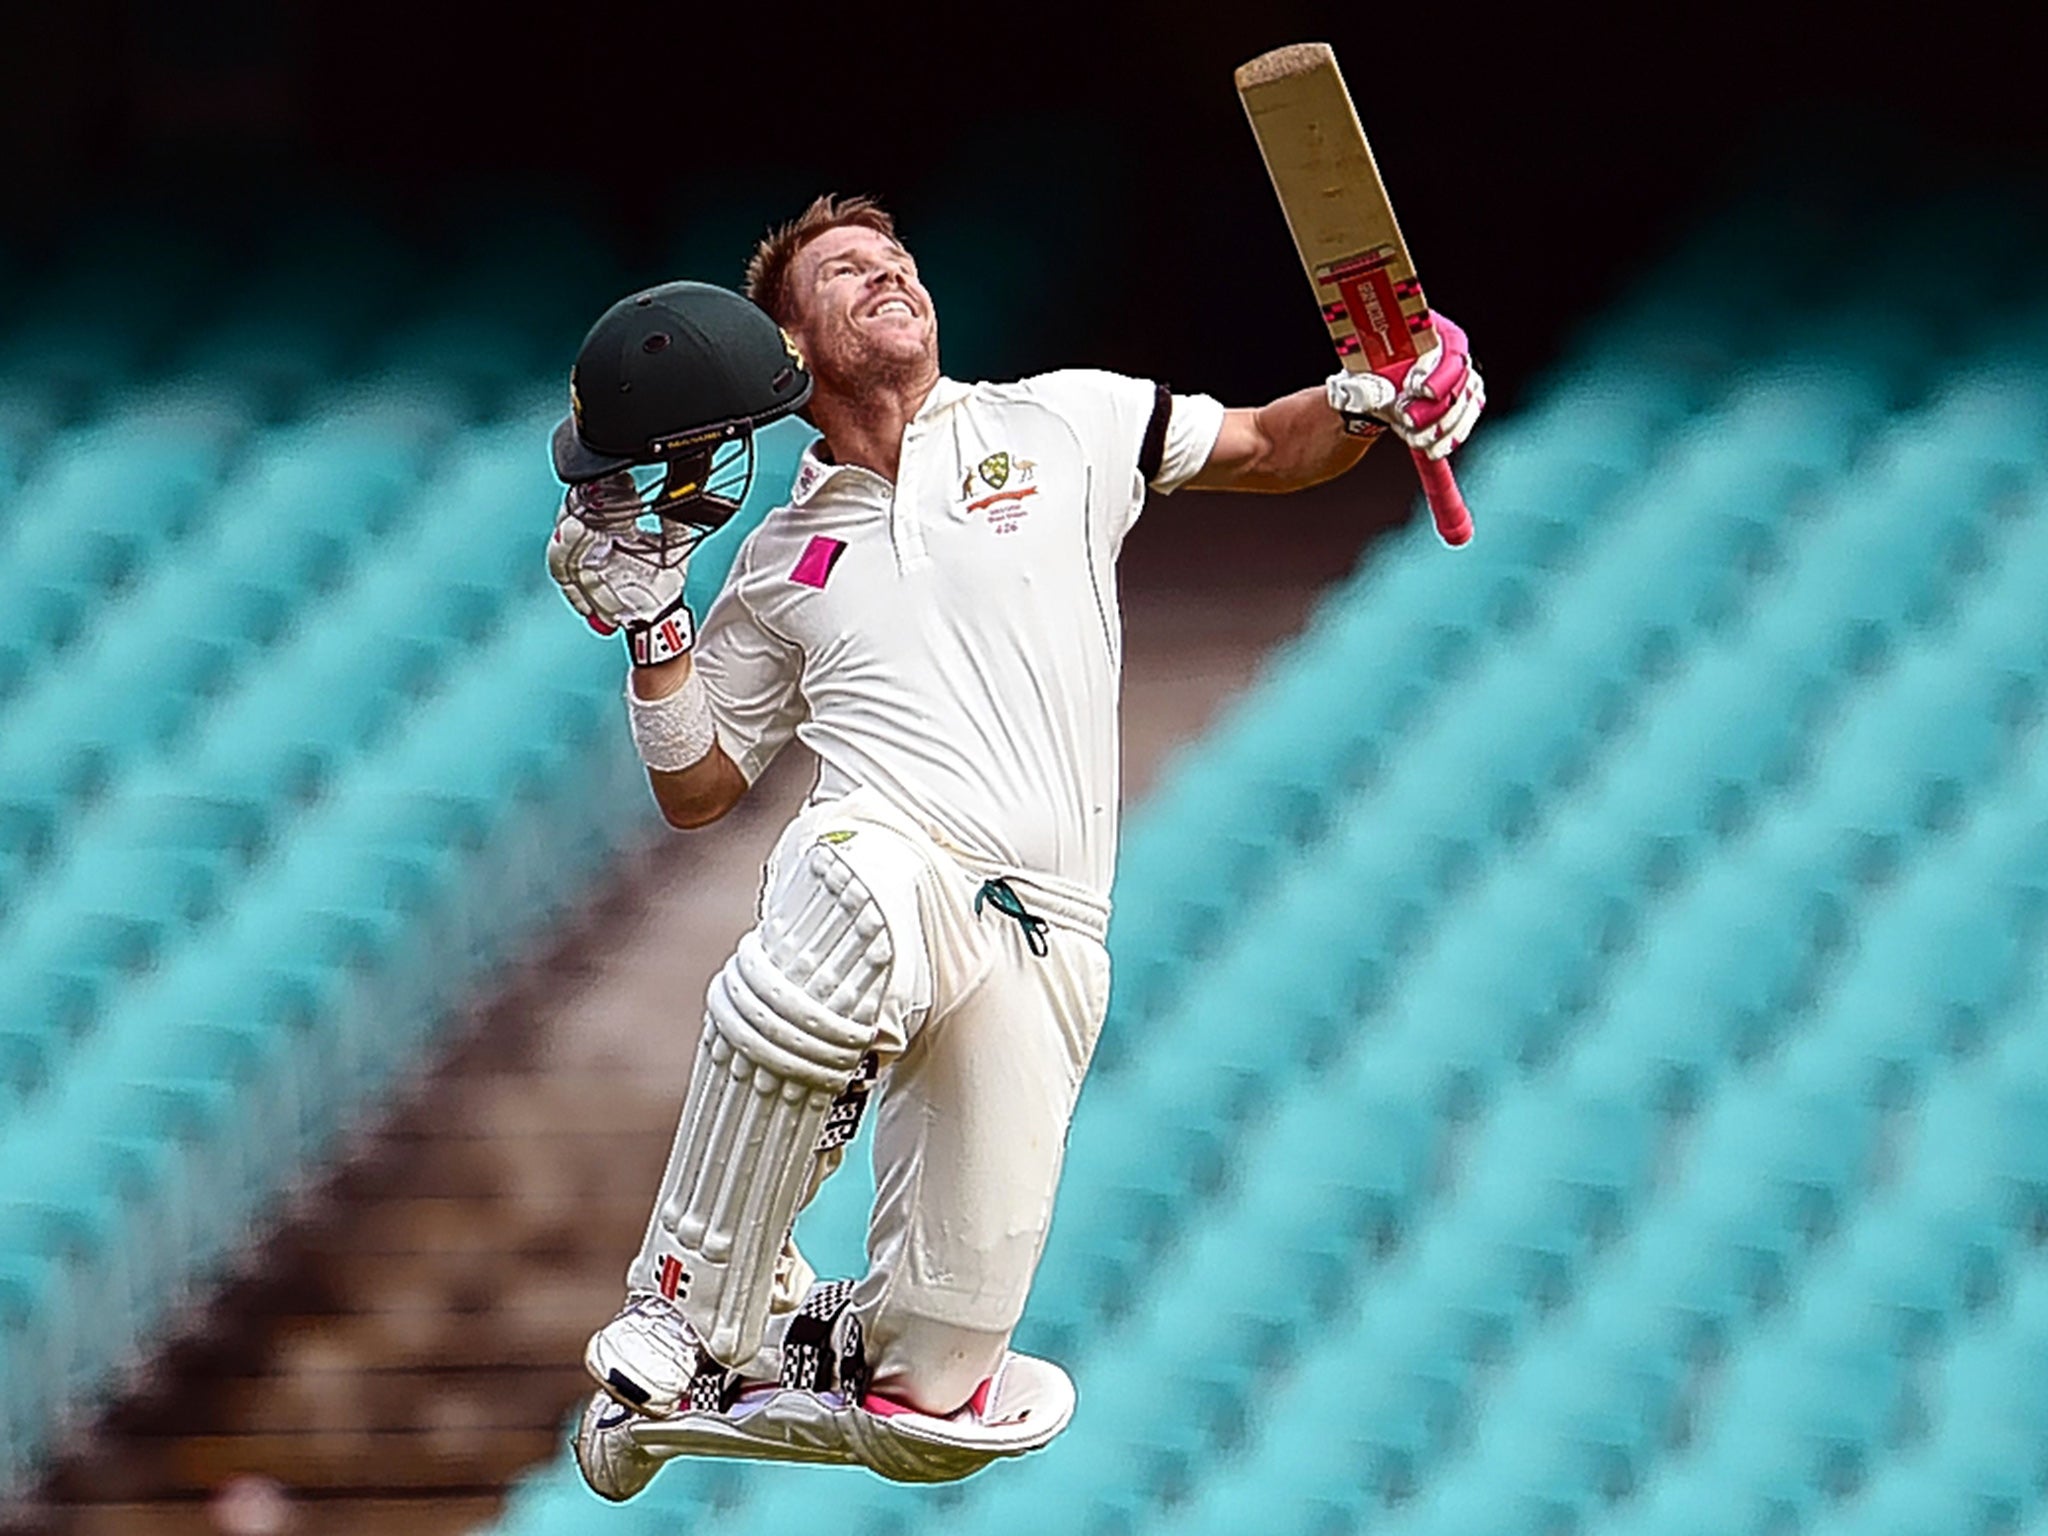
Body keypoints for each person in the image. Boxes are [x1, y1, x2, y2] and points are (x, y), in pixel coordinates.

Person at [545, 195, 1485, 1498]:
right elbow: (703, 788)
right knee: (870, 884)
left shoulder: (1066, 419)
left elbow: (1274, 442)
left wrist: (1384, 398)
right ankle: (684, 1299)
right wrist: (658, 636)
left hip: (1051, 931)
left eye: (898, 260)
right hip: (887, 869)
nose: (892, 276)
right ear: (786, 350)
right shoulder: (775, 561)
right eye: (848, 273)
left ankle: (751, 1357)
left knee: (937, 1385)